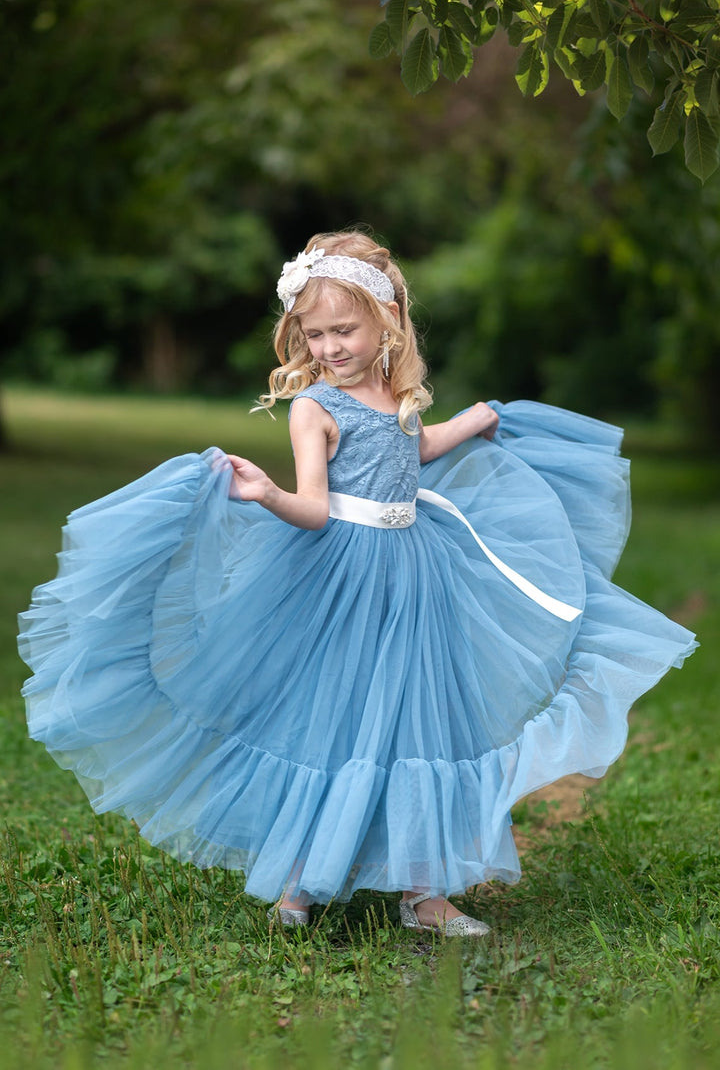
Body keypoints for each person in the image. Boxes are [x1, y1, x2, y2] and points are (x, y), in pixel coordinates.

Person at [18, 230, 697, 938]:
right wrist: (267, 493)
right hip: (341, 577)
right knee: (329, 719)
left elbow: (413, 449)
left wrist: (474, 420)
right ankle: (299, 878)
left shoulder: (398, 393)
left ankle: (424, 892)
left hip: (415, 574)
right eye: (314, 335)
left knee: (420, 718)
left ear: (386, 321)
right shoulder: (314, 407)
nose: (329, 347)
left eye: (343, 330)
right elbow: (314, 507)